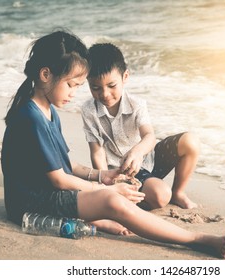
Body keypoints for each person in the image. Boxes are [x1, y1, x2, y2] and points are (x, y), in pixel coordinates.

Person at [1, 30, 225, 259]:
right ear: (45, 74)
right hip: (30, 204)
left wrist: (104, 176)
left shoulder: (48, 110)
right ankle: (196, 240)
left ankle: (99, 216)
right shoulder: (31, 116)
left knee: (107, 197)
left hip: (47, 194)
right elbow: (59, 179)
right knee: (111, 200)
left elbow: (66, 164)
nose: (74, 94)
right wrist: (108, 190)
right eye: (71, 85)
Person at [81, 43, 200, 210]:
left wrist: (136, 152)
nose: (105, 94)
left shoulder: (136, 104)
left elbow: (149, 136)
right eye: (96, 88)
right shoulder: (89, 110)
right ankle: (130, 196)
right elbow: (97, 152)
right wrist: (106, 188)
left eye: (111, 86)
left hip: (147, 159)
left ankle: (178, 193)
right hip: (120, 172)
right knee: (160, 196)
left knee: (190, 141)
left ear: (125, 77)